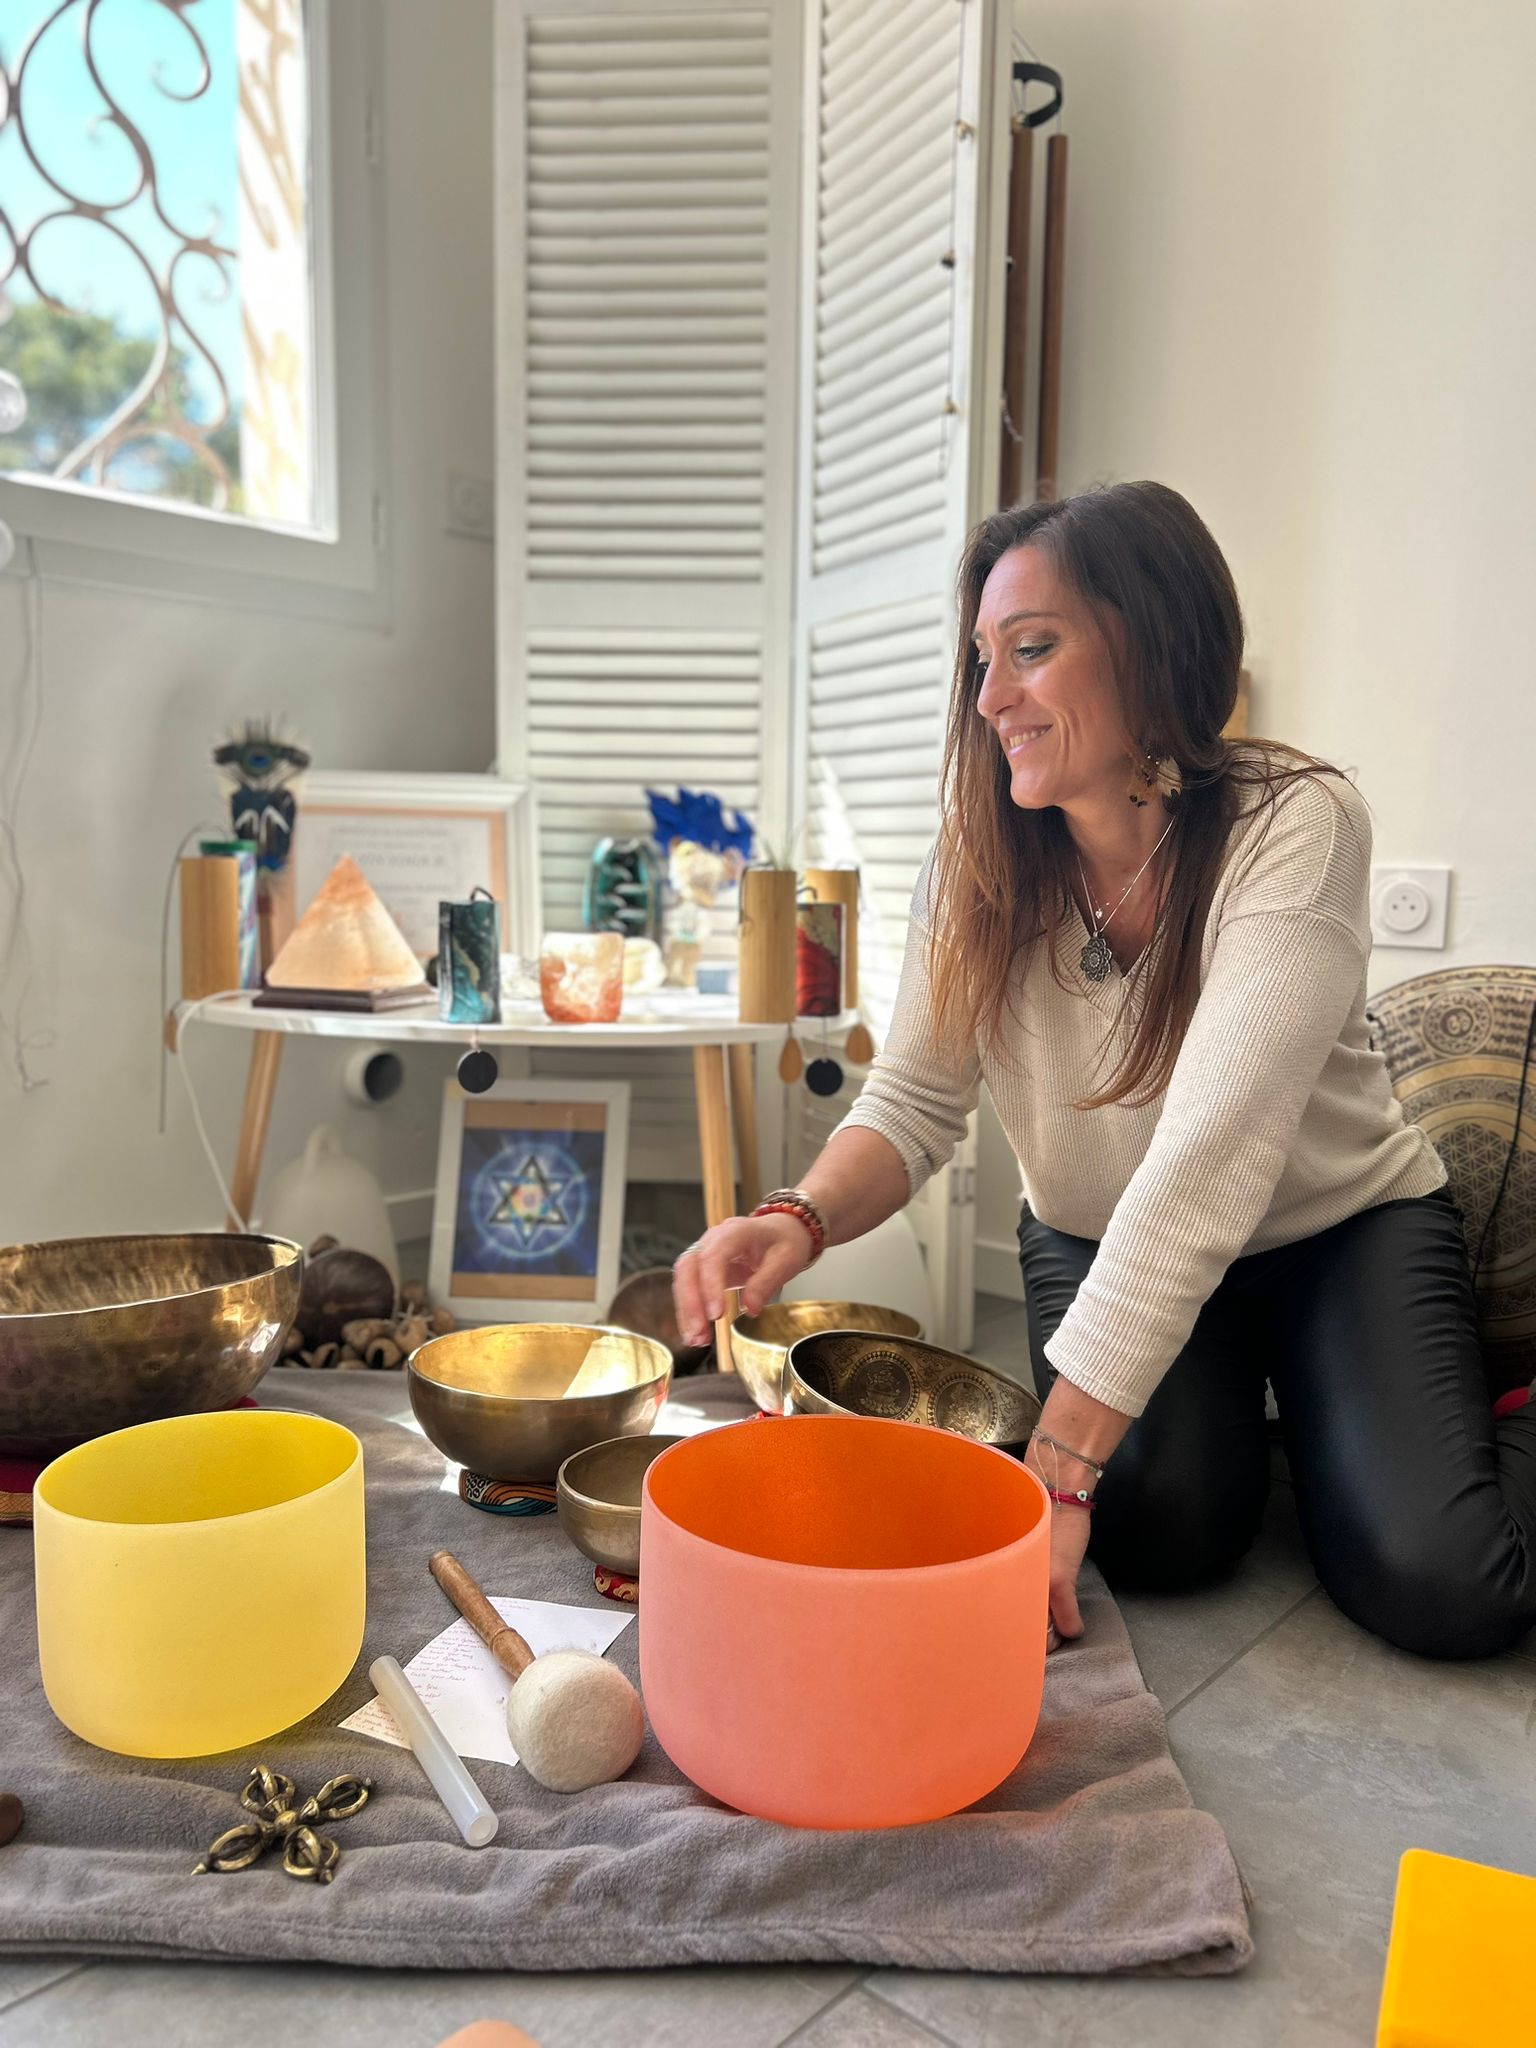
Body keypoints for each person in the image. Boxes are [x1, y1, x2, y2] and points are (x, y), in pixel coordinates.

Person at [672, 481, 1536, 1661]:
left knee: (1447, 1581)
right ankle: (1297, 1425)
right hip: (1094, 1235)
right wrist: (797, 1215)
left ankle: (1384, 1421)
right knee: (1161, 1532)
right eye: (983, 659)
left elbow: (1212, 1152)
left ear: (1156, 643)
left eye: (1031, 648)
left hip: (1335, 1234)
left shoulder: (1298, 822)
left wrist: (1067, 1456)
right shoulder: (971, 867)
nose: (990, 698)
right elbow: (915, 1100)